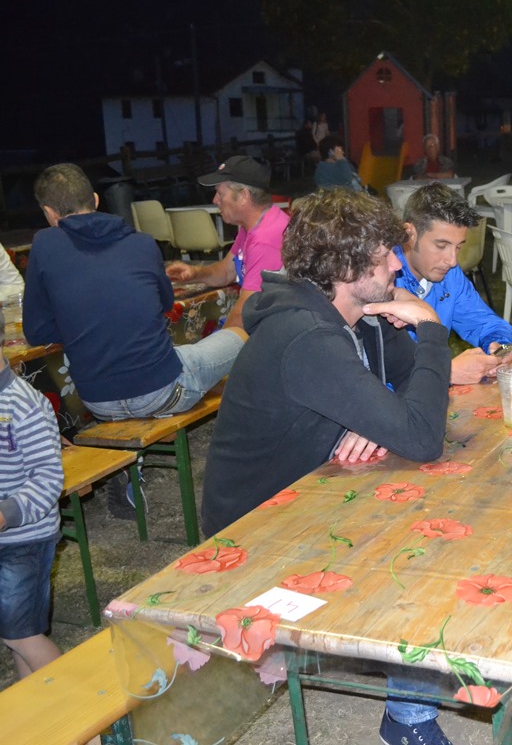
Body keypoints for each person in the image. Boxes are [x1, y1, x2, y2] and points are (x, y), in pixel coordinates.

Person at [197, 187, 453, 745]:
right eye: (385, 256)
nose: (397, 266)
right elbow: (422, 435)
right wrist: (432, 330)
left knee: (433, 508)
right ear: (346, 268)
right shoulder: (307, 336)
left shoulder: (355, 316)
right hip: (255, 541)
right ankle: (407, 721)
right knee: (421, 545)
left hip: (310, 500)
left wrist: (377, 416)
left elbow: (414, 395)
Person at [24, 163, 246, 420]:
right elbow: (165, 304)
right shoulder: (142, 242)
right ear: (95, 199)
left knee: (178, 357)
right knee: (243, 333)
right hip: (164, 391)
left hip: (98, 402)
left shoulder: (44, 245)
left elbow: (36, 330)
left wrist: (79, 323)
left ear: (49, 212)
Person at [394, 183, 512, 383]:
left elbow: (485, 323)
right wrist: (446, 372)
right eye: (441, 245)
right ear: (409, 233)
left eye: (458, 247)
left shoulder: (449, 275)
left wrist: (502, 349)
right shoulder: (380, 280)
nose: (452, 261)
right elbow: (371, 376)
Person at [0, 321, 64, 683]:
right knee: (16, 632)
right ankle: (36, 705)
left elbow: (48, 479)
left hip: (25, 540)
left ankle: (82, 708)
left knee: (19, 634)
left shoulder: (23, 405)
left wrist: (6, 513)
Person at [166, 156, 289, 330]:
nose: (215, 200)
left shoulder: (266, 239)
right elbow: (225, 272)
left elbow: (245, 314)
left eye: (220, 193)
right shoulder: (254, 225)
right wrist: (194, 273)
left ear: (244, 196)